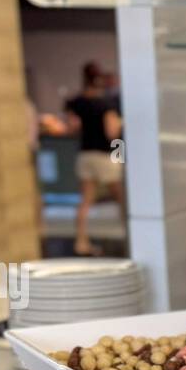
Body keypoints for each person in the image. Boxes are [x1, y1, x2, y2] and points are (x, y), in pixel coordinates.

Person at [64, 62, 124, 256]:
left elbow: (72, 128)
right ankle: (130, 233)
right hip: (105, 155)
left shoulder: (77, 102)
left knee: (86, 200)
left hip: (85, 154)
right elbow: (112, 133)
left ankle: (81, 242)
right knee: (120, 196)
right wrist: (120, 155)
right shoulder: (106, 104)